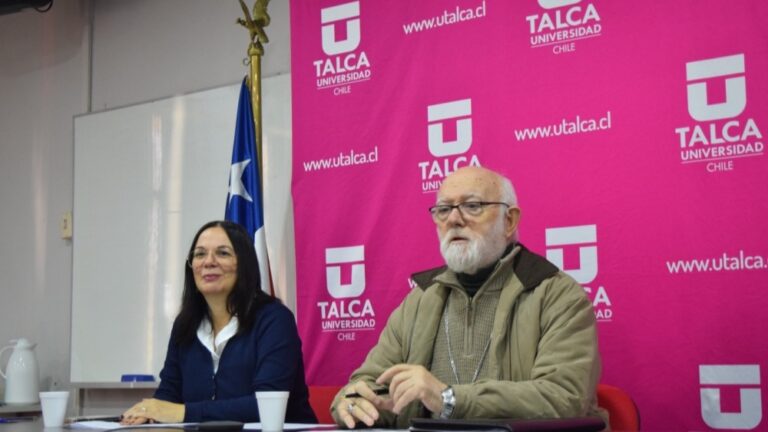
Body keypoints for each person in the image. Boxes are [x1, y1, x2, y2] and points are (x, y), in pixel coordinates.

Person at [331, 167, 606, 428]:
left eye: (472, 206)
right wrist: (354, 403)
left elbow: (564, 398)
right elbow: (370, 382)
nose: (454, 219)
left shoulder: (557, 295)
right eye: (443, 209)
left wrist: (449, 398)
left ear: (509, 221)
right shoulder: (420, 299)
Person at [122, 220, 317, 425]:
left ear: (244, 264)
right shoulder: (185, 324)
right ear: (191, 267)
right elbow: (169, 393)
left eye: (223, 253)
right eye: (200, 254)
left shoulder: (274, 320)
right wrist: (146, 412)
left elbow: (267, 405)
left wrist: (183, 412)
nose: (208, 262)